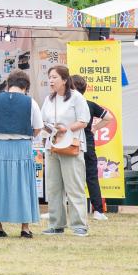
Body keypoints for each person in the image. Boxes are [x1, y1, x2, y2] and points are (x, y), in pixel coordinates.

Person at [0, 69, 43, 238]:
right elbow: (38, 127)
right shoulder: (30, 102)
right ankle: (24, 228)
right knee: (23, 185)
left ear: (9, 84)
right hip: (22, 146)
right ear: (26, 87)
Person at [40, 65, 91, 237]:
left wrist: (65, 129)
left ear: (64, 80)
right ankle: (56, 223)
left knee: (74, 185)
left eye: (54, 77)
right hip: (52, 146)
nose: (51, 81)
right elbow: (43, 120)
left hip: (71, 146)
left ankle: (79, 225)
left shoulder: (76, 98)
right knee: (53, 187)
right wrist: (48, 129)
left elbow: (84, 121)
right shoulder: (49, 99)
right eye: (50, 77)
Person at [71, 75, 114, 220]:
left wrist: (95, 127)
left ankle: (71, 208)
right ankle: (98, 211)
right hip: (88, 142)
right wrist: (94, 127)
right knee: (91, 176)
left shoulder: (69, 104)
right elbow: (108, 117)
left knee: (70, 175)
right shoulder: (90, 104)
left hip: (72, 142)